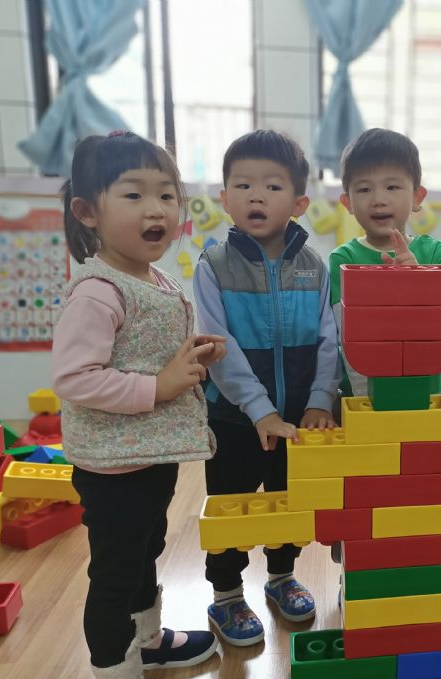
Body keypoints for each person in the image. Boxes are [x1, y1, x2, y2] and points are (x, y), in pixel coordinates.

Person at [53, 131, 224, 679]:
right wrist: (158, 386)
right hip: (112, 466)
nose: (157, 209)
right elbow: (75, 379)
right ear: (88, 212)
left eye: (167, 195)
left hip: (149, 453)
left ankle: (147, 641)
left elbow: (146, 354)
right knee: (116, 574)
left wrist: (191, 356)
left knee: (148, 548)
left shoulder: (154, 278)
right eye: (134, 195)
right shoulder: (98, 291)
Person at [193, 130, 339, 647]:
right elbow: (219, 347)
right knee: (231, 506)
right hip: (234, 418)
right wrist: (259, 410)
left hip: (296, 418)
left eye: (272, 186)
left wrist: (320, 400)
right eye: (243, 185)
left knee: (289, 503)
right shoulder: (213, 266)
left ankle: (282, 577)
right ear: (225, 197)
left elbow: (328, 340)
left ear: (298, 203)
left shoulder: (314, 266)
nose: (256, 195)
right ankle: (227, 595)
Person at [329, 128, 441, 400]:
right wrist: (363, 399)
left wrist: (417, 281)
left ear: (417, 197)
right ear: (348, 202)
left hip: (425, 392)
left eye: (392, 187)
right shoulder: (343, 260)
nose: (378, 199)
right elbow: (346, 335)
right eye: (364, 189)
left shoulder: (435, 254)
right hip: (362, 398)